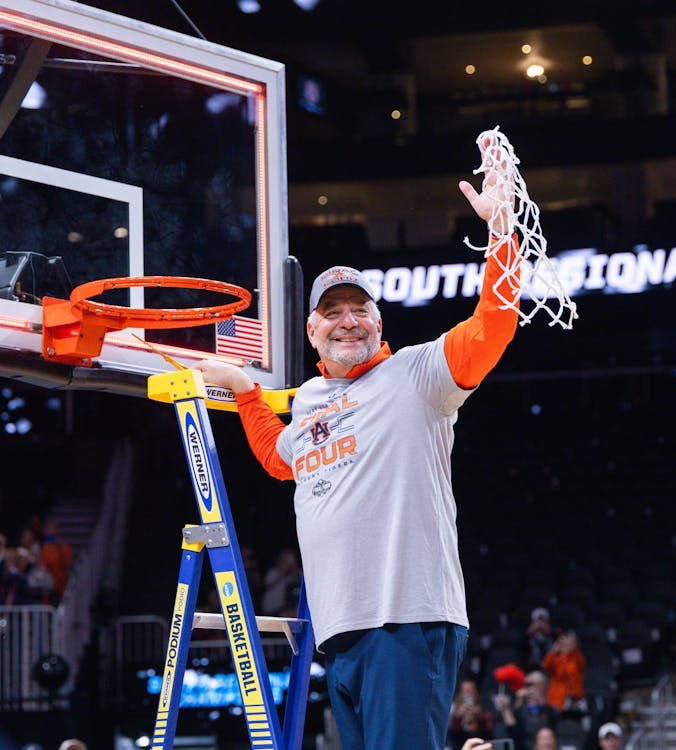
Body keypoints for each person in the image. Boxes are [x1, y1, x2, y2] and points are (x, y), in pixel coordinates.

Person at [195, 138, 523, 750]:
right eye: (333, 312)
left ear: (379, 321)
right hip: (341, 629)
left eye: (360, 308)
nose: (348, 319)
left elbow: (494, 324)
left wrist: (502, 233)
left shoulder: (417, 375)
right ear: (311, 330)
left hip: (406, 620)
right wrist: (243, 390)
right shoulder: (311, 399)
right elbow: (279, 459)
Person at [542, 631, 586, 711]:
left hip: (574, 699)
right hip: (557, 697)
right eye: (563, 643)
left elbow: (580, 665)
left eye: (569, 643)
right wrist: (553, 651)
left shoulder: (577, 657)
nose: (565, 646)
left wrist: (571, 651)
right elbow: (545, 666)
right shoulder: (555, 658)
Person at [448, 679, 495, 749]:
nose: (467, 693)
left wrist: (477, 716)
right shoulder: (454, 711)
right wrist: (458, 717)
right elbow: (450, 735)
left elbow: (489, 734)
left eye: (470, 690)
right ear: (460, 694)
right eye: (464, 690)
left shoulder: (484, 710)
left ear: (476, 692)